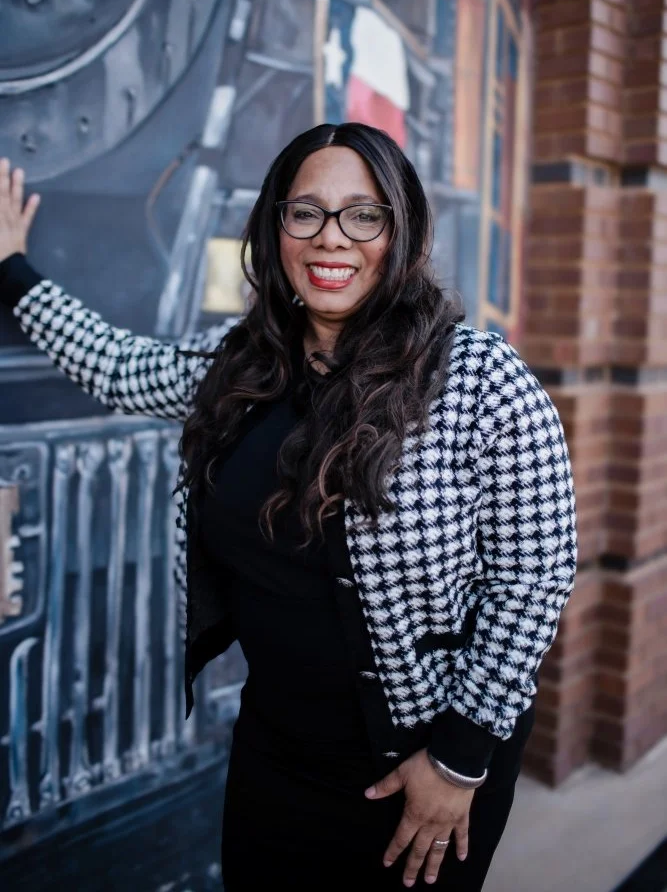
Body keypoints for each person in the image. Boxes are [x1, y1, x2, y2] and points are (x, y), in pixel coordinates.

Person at [0, 124, 577, 892]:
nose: (330, 237)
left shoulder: (477, 377)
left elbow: (533, 576)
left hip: (418, 764)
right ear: (275, 229)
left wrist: (459, 757)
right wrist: (11, 270)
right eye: (304, 212)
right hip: (274, 751)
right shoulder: (242, 364)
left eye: (361, 214)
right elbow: (120, 366)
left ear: (399, 229)